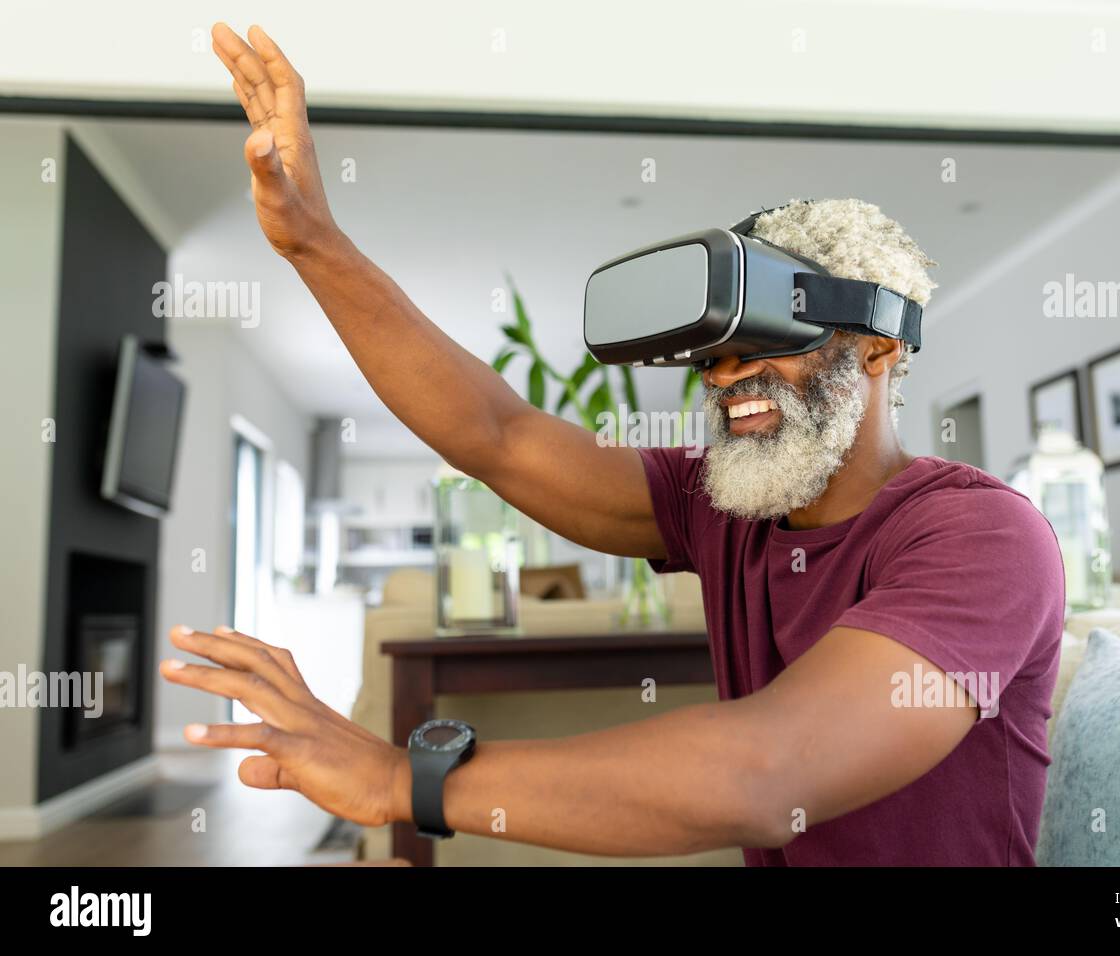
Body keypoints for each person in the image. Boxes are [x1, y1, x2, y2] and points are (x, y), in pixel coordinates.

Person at [161, 22, 1066, 866]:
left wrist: (401, 778)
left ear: (878, 346)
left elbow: (772, 770)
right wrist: (315, 244)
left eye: (764, 349)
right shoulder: (721, 504)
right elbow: (499, 436)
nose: (723, 379)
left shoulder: (983, 539)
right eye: (714, 356)